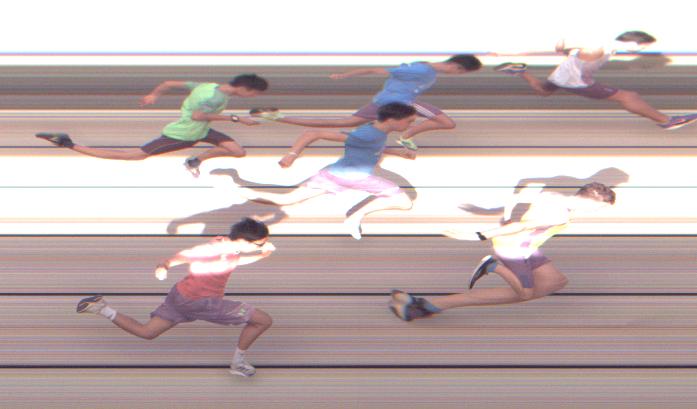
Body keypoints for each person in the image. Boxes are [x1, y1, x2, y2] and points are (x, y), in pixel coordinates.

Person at [76, 218, 275, 377]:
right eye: (260, 243)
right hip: (202, 302)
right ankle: (237, 364)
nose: (264, 245)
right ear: (243, 241)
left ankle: (101, 308)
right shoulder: (212, 249)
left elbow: (236, 261)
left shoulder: (231, 247)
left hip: (180, 295)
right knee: (262, 320)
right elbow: (183, 256)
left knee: (148, 332)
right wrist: (164, 266)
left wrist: (261, 254)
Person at [389, 182, 616, 321]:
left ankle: (424, 306)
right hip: (514, 249)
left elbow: (520, 194)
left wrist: (504, 215)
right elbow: (521, 227)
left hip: (525, 247)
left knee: (555, 282)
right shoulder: (560, 215)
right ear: (590, 202)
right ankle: (492, 267)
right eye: (599, 208)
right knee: (525, 294)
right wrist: (480, 235)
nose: (597, 212)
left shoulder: (552, 195)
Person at [241, 102, 418, 240]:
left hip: (334, 175)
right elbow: (313, 133)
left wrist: (397, 152)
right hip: (357, 178)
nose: (410, 125)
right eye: (409, 121)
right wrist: (291, 155)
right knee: (403, 202)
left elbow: (369, 147)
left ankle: (241, 193)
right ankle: (354, 217)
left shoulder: (375, 131)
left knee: (287, 199)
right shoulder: (367, 134)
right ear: (392, 119)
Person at [36, 74, 269, 176]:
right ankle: (67, 143)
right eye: (254, 94)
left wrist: (153, 95)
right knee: (134, 156)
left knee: (237, 151)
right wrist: (237, 119)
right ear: (244, 88)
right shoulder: (215, 97)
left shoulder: (209, 86)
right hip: (185, 134)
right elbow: (199, 115)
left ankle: (194, 161)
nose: (253, 97)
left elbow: (168, 83)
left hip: (202, 131)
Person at [250, 54, 482, 150]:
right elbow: (376, 69)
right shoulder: (421, 69)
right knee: (446, 122)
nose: (458, 75)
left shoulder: (426, 70)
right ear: (456, 66)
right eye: (461, 72)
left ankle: (277, 117)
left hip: (385, 103)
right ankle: (406, 136)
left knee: (344, 123)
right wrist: (345, 75)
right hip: (399, 104)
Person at [494, 31, 697, 130]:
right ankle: (666, 121)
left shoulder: (606, 47)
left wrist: (566, 48)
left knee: (543, 90)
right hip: (575, 82)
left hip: (560, 75)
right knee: (628, 96)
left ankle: (520, 71)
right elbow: (562, 47)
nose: (642, 50)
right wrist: (510, 51)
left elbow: (566, 50)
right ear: (632, 42)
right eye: (642, 46)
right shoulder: (598, 49)